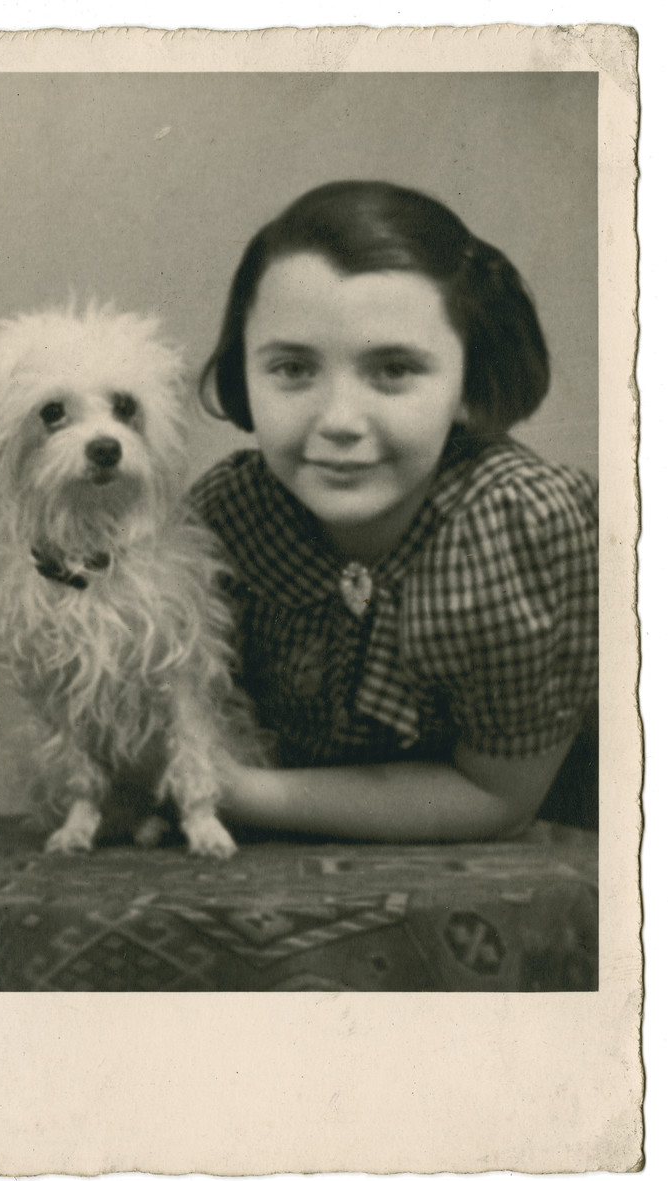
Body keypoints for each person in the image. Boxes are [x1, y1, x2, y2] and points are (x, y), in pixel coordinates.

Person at [190, 180, 598, 844]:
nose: (339, 422)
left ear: (469, 381)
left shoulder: (517, 524)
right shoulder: (229, 515)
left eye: (393, 370)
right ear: (244, 371)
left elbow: (497, 800)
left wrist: (216, 789)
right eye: (292, 369)